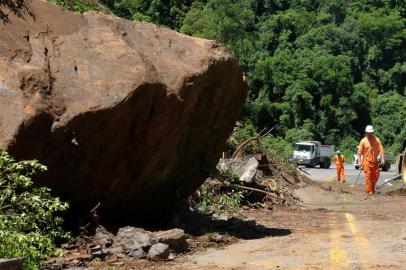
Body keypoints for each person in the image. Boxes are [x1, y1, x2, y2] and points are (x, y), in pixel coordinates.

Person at [357, 125, 385, 194]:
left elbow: (381, 149)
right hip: (366, 162)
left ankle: (371, 187)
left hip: (375, 162)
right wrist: (360, 162)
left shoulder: (377, 140)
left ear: (373, 132)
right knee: (368, 176)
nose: (369, 134)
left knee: (376, 176)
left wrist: (382, 159)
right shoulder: (363, 141)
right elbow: (359, 152)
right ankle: (370, 191)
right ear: (366, 132)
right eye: (368, 133)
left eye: (371, 133)